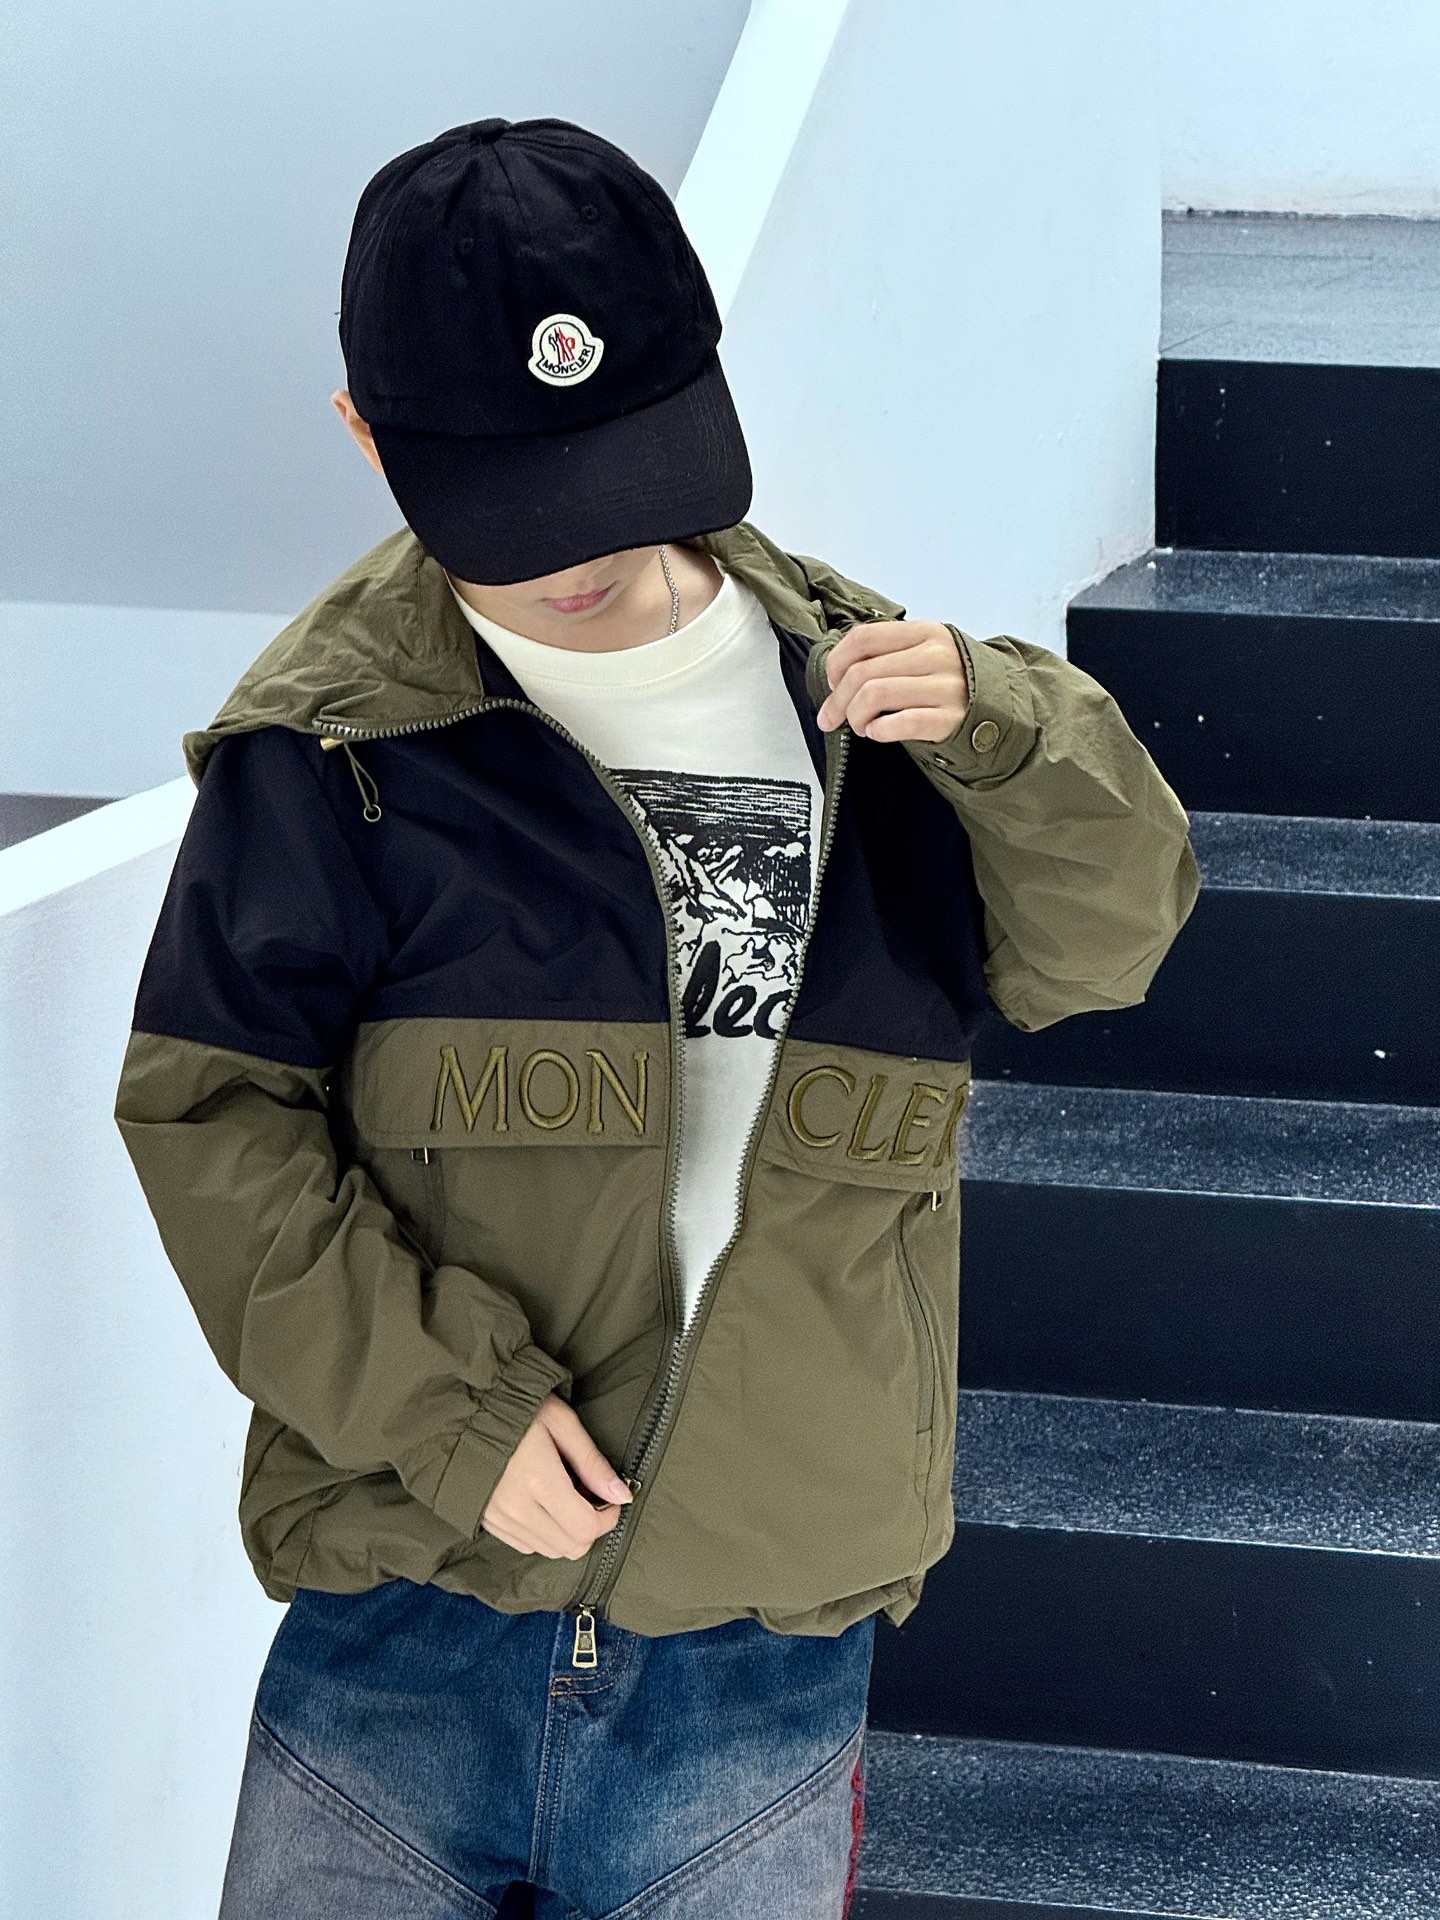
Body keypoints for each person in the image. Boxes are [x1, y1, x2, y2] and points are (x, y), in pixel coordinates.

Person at [113, 116, 1200, 1920]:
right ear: (369, 436)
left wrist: (1017, 731)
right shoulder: (330, 747)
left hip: (759, 1653)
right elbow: (212, 1128)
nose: (585, 545)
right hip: (408, 1618)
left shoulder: (874, 699)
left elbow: (1109, 946)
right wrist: (454, 1415)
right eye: (518, 497)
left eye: (625, 463)